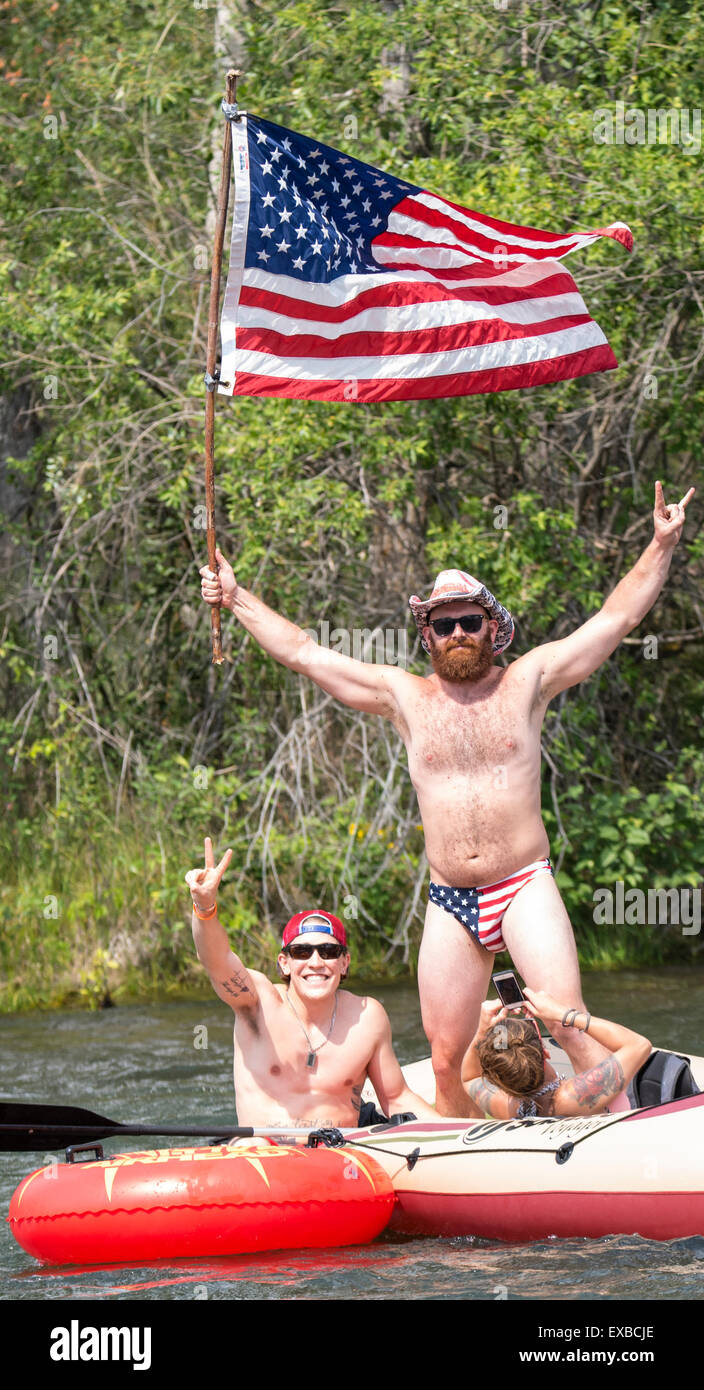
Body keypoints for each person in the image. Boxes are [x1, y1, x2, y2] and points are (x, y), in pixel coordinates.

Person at [199, 480, 694, 1115]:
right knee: (442, 1052)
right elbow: (303, 651)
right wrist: (236, 597)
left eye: (469, 620)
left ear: (493, 627)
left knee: (569, 1027)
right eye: (443, 622)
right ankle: (471, 1165)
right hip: (450, 897)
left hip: (522, 883)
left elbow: (616, 618)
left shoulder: (530, 680)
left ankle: (618, 1129)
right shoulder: (403, 696)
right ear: (426, 634)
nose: (457, 631)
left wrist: (661, 542)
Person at [187, 837, 437, 1129]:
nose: (316, 962)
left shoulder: (367, 1016)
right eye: (302, 952)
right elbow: (216, 961)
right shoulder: (258, 1002)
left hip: (346, 1153)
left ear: (344, 962)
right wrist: (205, 907)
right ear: (285, 963)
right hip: (265, 1152)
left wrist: (458, 1133)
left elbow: (397, 1099)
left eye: (329, 952)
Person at [461, 989, 652, 1119]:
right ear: (546, 1053)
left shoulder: (509, 1108)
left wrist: (482, 1031)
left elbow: (469, 1077)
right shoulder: (575, 1095)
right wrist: (562, 1014)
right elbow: (639, 1045)